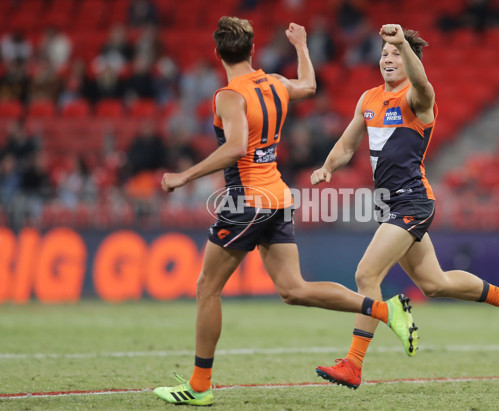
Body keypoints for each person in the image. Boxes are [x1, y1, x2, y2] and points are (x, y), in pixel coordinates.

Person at [153, 17, 417, 406]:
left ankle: (199, 385)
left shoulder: (229, 96)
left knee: (207, 288)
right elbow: (309, 85)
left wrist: (184, 176)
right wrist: (301, 47)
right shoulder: (273, 82)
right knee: (294, 289)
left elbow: (236, 147)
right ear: (252, 49)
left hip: (246, 202)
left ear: (218, 53)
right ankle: (383, 308)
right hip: (277, 198)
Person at [311, 24, 499, 389]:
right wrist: (327, 167)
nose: (388, 58)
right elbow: (347, 145)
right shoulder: (367, 100)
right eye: (384, 53)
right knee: (434, 283)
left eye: (396, 54)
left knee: (367, 275)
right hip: (389, 205)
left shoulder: (417, 98)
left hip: (412, 201)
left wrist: (403, 42)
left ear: (410, 60)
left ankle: (353, 364)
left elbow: (424, 83)